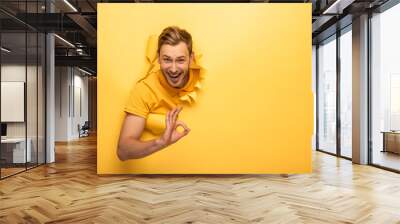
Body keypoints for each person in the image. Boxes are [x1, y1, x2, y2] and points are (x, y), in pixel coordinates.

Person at [117, 26, 203, 160]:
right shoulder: (145, 89)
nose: (173, 69)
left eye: (180, 60)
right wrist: (161, 142)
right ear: (158, 58)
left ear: (191, 58)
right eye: (167, 60)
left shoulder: (201, 74)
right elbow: (123, 151)